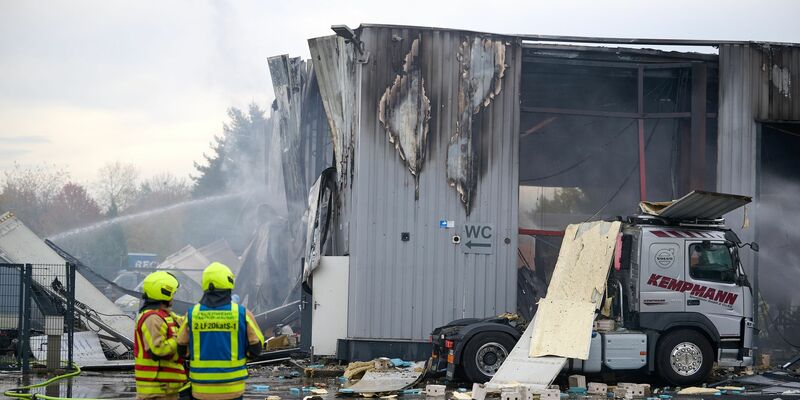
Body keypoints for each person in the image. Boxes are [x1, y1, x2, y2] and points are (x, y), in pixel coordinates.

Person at [177, 262, 264, 400]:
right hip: (232, 389)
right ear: (229, 283)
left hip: (201, 390)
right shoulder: (241, 313)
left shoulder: (192, 314)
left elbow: (181, 347)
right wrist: (242, 357)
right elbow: (256, 346)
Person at [134, 271, 187, 400]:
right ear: (165, 293)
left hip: (167, 388)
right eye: (172, 294)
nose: (173, 298)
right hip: (156, 390)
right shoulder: (152, 318)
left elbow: (184, 322)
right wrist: (179, 339)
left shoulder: (165, 315)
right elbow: (159, 349)